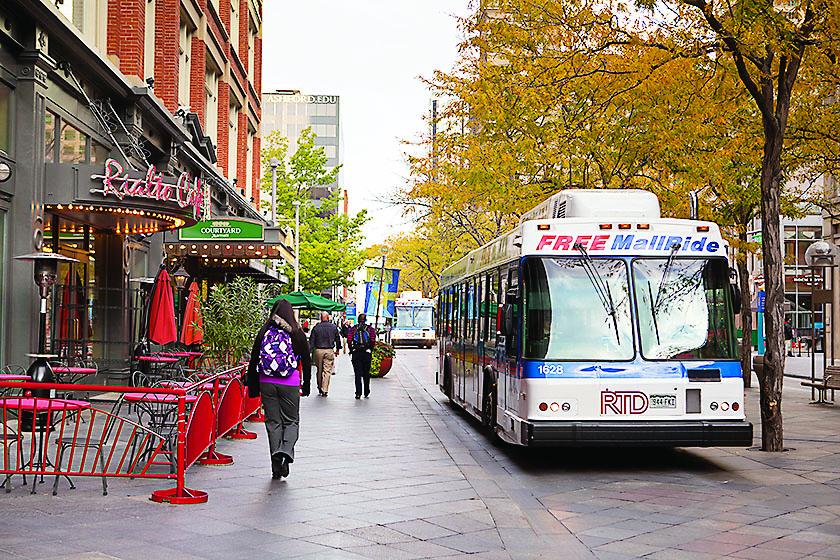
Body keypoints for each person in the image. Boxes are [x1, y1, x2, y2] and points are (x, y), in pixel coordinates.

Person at [246, 299, 311, 480]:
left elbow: (253, 360)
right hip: (290, 382)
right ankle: (285, 451)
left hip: (266, 382)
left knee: (273, 422)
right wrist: (306, 385)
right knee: (291, 421)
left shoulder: (264, 331)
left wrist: (253, 387)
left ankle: (276, 465)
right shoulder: (297, 333)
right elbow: (306, 360)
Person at [310, 311, 342, 397]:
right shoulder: (333, 327)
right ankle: (325, 389)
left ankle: (320, 387)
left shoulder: (316, 328)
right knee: (327, 371)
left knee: (319, 370)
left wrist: (310, 351)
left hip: (318, 351)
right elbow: (338, 339)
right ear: (328, 318)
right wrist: (338, 349)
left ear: (321, 318)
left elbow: (312, 341)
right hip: (329, 350)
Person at [347, 313, 376, 399]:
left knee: (357, 374)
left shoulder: (353, 329)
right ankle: (366, 391)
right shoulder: (370, 329)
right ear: (365, 320)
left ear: (358, 320)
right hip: (366, 353)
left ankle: (358, 393)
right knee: (366, 373)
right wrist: (370, 349)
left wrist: (351, 349)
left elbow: (349, 340)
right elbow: (373, 340)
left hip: (356, 353)